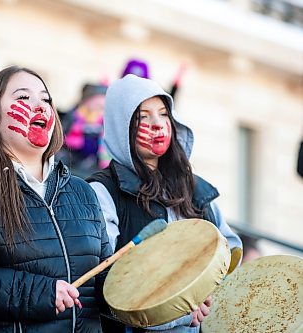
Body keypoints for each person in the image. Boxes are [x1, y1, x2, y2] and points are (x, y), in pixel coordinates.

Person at [0, 66, 113, 332]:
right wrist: (36, 292)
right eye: (23, 98)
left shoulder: (83, 192)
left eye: (46, 99)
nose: (40, 106)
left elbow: (106, 281)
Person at [87, 75, 243, 332]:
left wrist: (208, 292)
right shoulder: (103, 190)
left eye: (163, 114)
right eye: (143, 117)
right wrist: (181, 310)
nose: (157, 124)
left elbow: (229, 249)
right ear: (120, 125)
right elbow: (105, 280)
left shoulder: (194, 187)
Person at [57, 83, 110, 178]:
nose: (100, 107)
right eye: (97, 103)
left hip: (93, 167)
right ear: (87, 100)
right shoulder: (74, 116)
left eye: (102, 106)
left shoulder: (105, 121)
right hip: (70, 163)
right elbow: (60, 137)